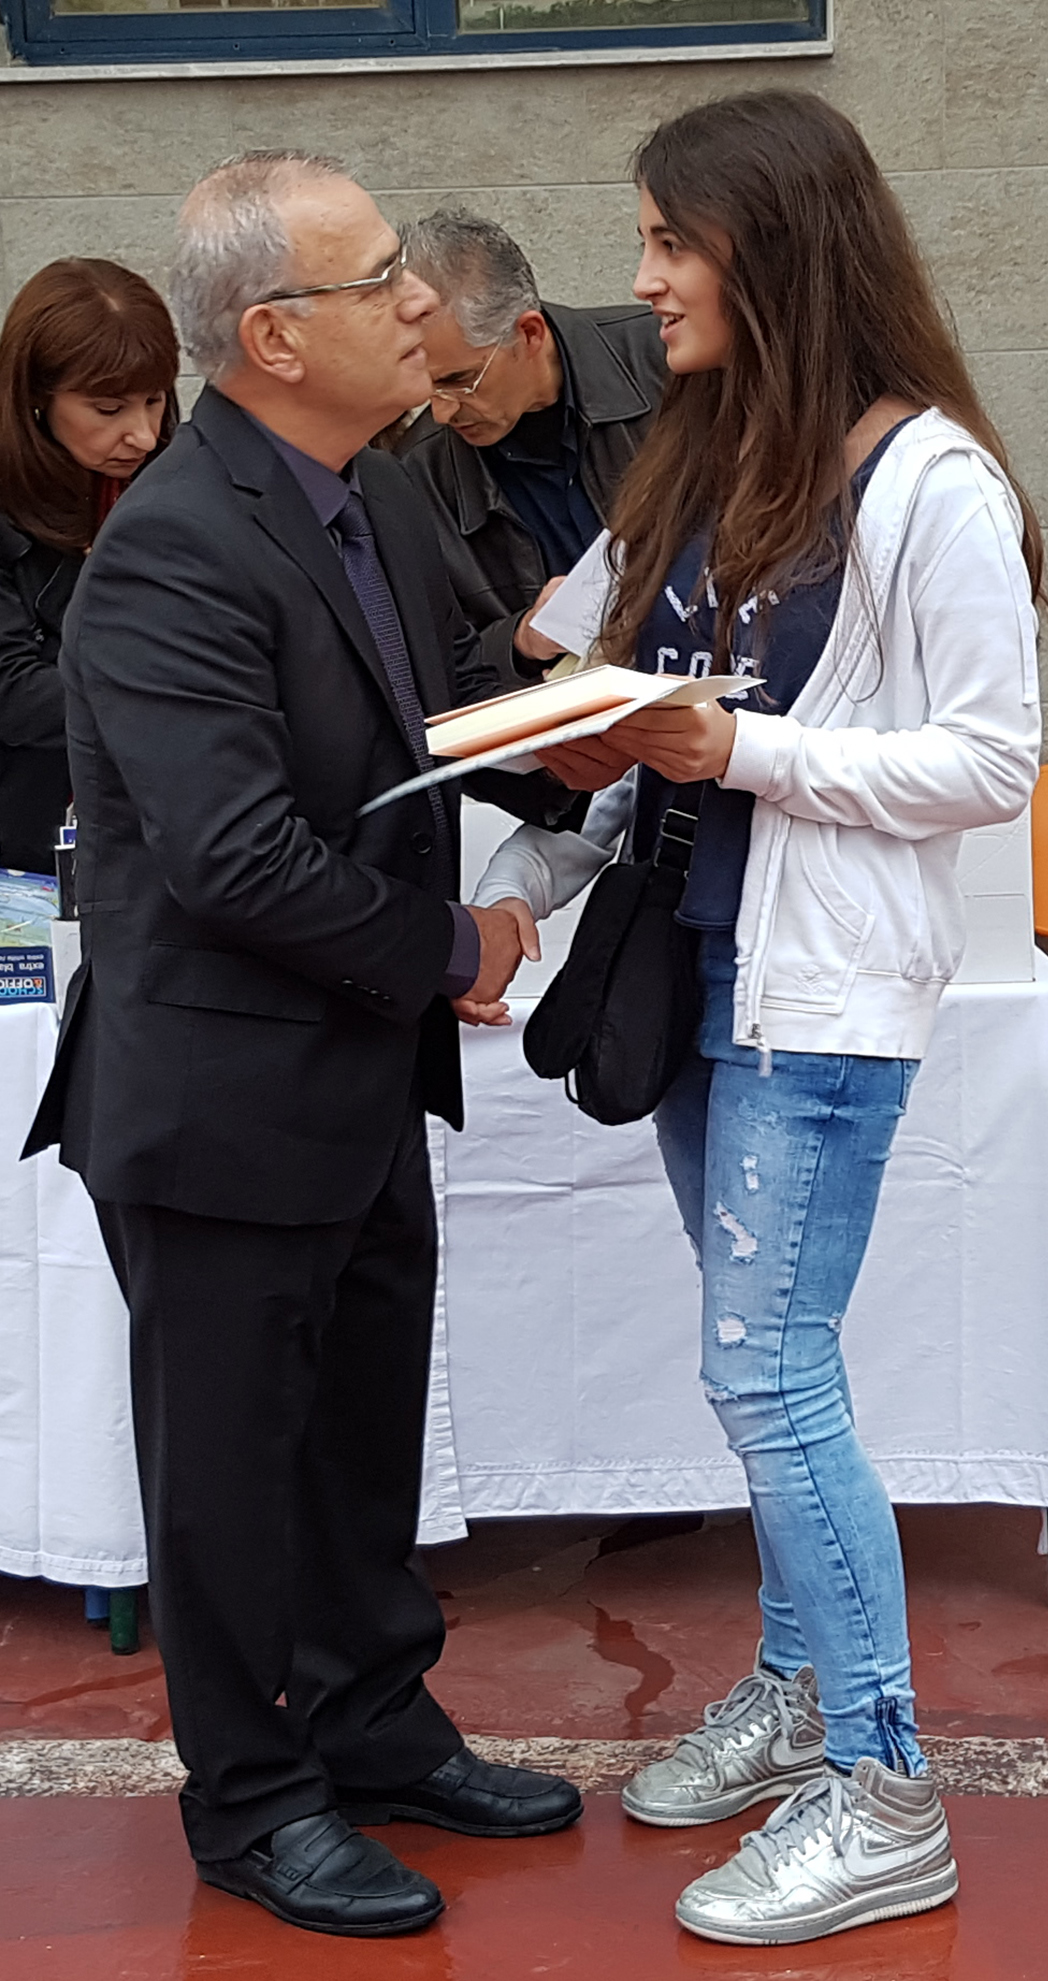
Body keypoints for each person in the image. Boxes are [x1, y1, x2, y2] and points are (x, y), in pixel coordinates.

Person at [472, 91, 1042, 1946]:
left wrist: (746, 747)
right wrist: (530, 857)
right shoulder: (703, 456)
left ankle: (886, 1788)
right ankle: (803, 1693)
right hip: (689, 970)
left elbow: (989, 760)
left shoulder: (929, 482)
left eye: (670, 242)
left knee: (767, 1371)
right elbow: (619, 714)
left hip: (818, 991)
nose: (641, 281)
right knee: (768, 1367)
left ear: (774, 250)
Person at [23, 149, 580, 1941]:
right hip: (219, 1100)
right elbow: (236, 854)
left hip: (353, 1080)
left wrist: (603, 726)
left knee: (355, 1438)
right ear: (272, 336)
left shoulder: (373, 492)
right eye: (378, 279)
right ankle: (254, 1798)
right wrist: (456, 946)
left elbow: (445, 702)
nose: (420, 303)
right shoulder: (170, 549)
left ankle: (373, 1726)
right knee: (228, 1473)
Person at [395, 208, 667, 688]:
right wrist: (520, 639)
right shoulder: (417, 473)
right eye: (423, 385)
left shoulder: (667, 364)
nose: (440, 411)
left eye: (459, 380)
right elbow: (431, 669)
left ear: (529, 334)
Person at [0, 259, 178, 876]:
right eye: (108, 409)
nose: (143, 435)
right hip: (27, 842)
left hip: (166, 832)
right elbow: (13, 692)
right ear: (35, 398)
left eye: (154, 400)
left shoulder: (184, 483)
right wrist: (164, 692)